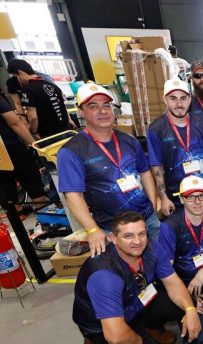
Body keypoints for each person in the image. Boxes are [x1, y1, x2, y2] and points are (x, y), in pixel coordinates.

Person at [72, 211, 203, 344]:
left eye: (141, 234)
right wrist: (137, 340)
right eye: (128, 236)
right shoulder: (104, 275)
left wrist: (190, 310)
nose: (137, 241)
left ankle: (150, 327)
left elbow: (173, 282)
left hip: (136, 302)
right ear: (113, 238)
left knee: (187, 300)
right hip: (106, 325)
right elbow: (116, 336)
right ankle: (95, 342)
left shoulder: (152, 248)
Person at [58, 84, 159, 255]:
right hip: (112, 230)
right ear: (81, 111)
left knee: (159, 260)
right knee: (126, 269)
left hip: (147, 220)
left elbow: (144, 172)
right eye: (93, 106)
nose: (103, 111)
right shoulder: (72, 151)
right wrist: (92, 229)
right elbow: (73, 195)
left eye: (106, 105)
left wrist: (153, 204)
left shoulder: (129, 140)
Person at [157, 176, 203, 334]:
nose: (197, 202)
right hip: (184, 279)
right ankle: (195, 295)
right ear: (182, 199)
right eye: (191, 197)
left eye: (201, 196)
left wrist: (201, 273)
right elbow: (166, 271)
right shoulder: (170, 226)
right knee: (198, 335)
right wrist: (188, 299)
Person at [0, 69, 47, 213]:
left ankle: (16, 213)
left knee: (4, 183)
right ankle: (43, 210)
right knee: (29, 176)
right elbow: (14, 122)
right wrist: (33, 142)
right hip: (9, 146)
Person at [147, 78, 203, 216]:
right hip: (178, 197)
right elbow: (157, 167)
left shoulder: (202, 123)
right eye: (173, 98)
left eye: (183, 98)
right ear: (165, 100)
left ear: (189, 100)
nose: (179, 104)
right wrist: (163, 198)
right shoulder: (156, 129)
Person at [7, 59, 73, 140]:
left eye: (15, 76)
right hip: (66, 129)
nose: (16, 80)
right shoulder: (52, 86)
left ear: (20, 73)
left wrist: (34, 132)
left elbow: (33, 117)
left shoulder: (28, 90)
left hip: (48, 134)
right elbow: (61, 106)